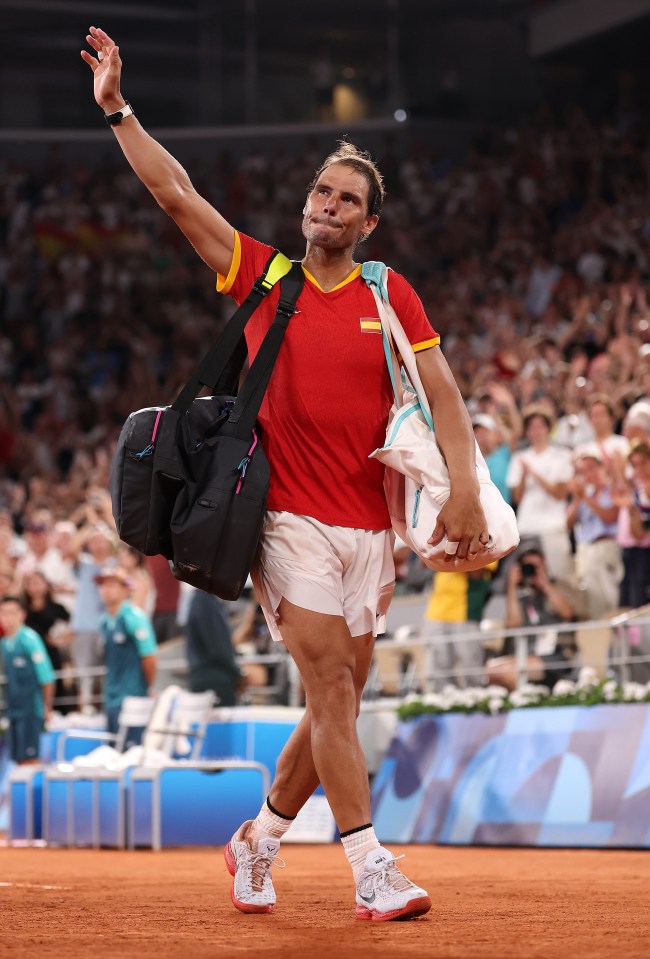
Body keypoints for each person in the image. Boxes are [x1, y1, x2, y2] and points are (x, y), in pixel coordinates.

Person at [82, 25, 488, 922]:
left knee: (331, 701)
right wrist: (117, 108)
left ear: (368, 222)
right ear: (307, 203)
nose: (329, 204)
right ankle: (372, 866)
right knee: (333, 685)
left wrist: (461, 483)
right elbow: (174, 191)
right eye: (321, 190)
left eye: (348, 199)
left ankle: (258, 838)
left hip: (368, 526)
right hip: (285, 518)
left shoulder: (389, 293)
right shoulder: (264, 277)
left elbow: (447, 393)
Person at [486, 548, 580, 691]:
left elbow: (567, 612)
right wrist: (512, 586)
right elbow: (513, 624)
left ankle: (525, 704)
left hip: (557, 654)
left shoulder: (559, 586)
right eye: (527, 566)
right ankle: (525, 701)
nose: (531, 570)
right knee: (490, 669)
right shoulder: (522, 595)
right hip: (527, 652)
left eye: (536, 566)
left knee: (511, 672)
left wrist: (545, 584)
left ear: (545, 566)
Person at [506, 407, 574, 580]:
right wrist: (523, 475)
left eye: (540, 426)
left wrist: (534, 474)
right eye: (531, 427)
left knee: (560, 579)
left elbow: (560, 494)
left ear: (548, 429)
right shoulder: (519, 458)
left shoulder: (562, 456)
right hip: (526, 527)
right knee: (528, 580)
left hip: (552, 527)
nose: (536, 431)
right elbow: (517, 498)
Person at [95, 566, 157, 736]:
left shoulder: (135, 618)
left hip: (133, 697)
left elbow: (149, 657)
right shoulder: (104, 621)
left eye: (112, 585)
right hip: (111, 698)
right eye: (103, 585)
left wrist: (147, 687)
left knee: (132, 752)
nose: (106, 590)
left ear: (125, 589)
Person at [566, 447, 623, 619]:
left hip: (609, 546)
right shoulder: (584, 495)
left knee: (611, 596)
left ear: (601, 467)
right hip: (588, 550)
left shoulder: (613, 489)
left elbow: (610, 517)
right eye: (583, 471)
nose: (588, 474)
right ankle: (603, 638)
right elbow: (568, 523)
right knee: (594, 600)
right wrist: (578, 498)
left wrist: (585, 498)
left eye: (591, 468)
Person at [0, 595, 55, 764]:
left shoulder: (30, 640)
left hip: (31, 709)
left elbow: (47, 677)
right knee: (16, 757)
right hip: (12, 710)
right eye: (4, 613)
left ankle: (34, 790)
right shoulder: (4, 644)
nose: (8, 618)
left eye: (12, 613)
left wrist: (47, 707)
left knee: (31, 758)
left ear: (22, 614)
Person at [23, 569, 74, 714]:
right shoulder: (23, 608)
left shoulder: (56, 607)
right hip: (28, 656)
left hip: (50, 653)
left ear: (46, 585)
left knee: (55, 684)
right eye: (31, 583)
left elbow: (73, 625)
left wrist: (62, 640)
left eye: (38, 582)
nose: (34, 587)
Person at [185, 588, 243, 707]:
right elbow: (218, 648)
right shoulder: (205, 602)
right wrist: (238, 673)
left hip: (208, 678)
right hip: (213, 680)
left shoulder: (204, 601)